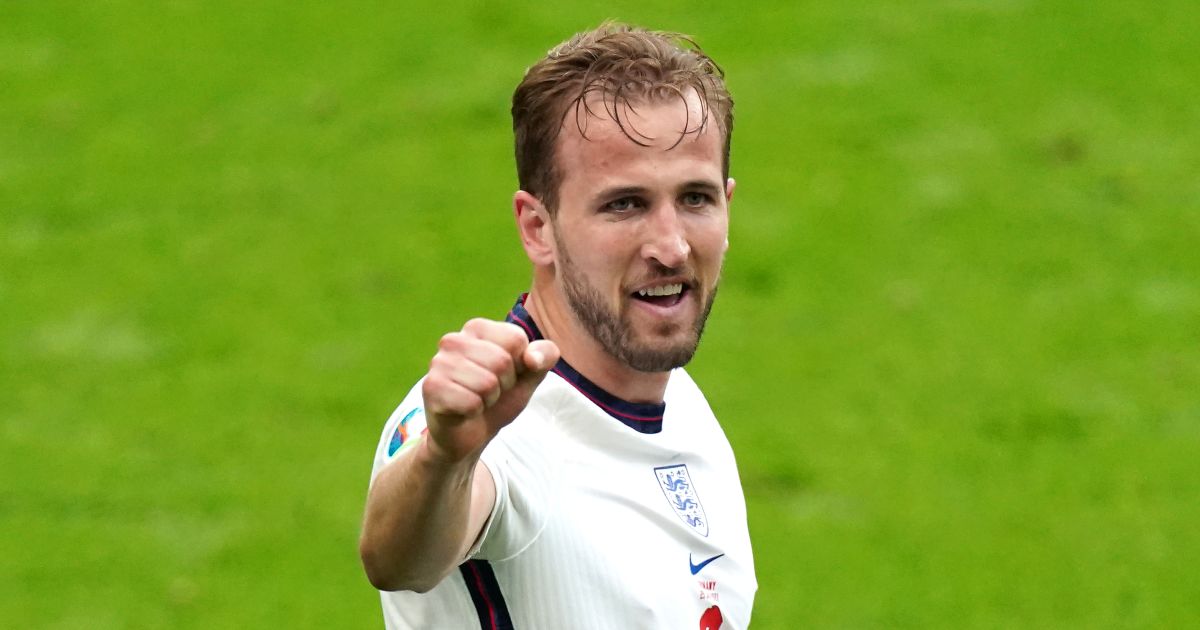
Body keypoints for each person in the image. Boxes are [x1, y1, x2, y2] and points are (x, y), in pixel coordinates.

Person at [359, 22, 756, 629]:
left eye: (695, 199)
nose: (672, 246)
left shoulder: (677, 401)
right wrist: (444, 458)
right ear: (538, 228)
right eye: (625, 204)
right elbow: (397, 559)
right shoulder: (491, 428)